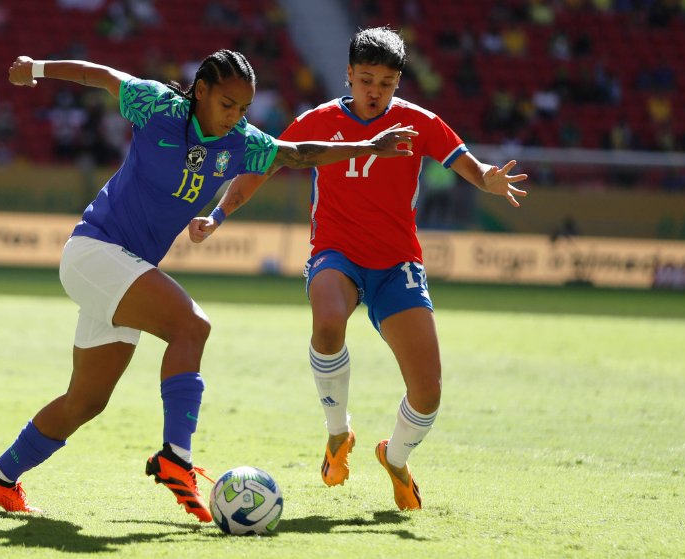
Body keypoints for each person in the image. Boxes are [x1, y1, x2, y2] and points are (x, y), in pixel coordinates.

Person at [0, 50, 417, 522]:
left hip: (121, 269)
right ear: (200, 90)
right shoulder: (156, 104)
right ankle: (176, 457)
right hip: (94, 252)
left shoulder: (242, 141)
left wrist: (371, 147)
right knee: (192, 327)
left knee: (86, 401)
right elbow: (99, 75)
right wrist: (35, 70)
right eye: (228, 104)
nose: (236, 117)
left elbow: (299, 153)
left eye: (244, 109)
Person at [189, 28, 527, 511]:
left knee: (428, 392)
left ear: (398, 83)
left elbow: (466, 164)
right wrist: (217, 215)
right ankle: (337, 432)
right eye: (366, 79)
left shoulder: (420, 122)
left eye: (386, 83)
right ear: (349, 75)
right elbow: (258, 170)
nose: (375, 91)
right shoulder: (317, 121)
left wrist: (487, 180)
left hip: (397, 263)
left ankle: (395, 456)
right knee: (327, 322)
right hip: (336, 253)